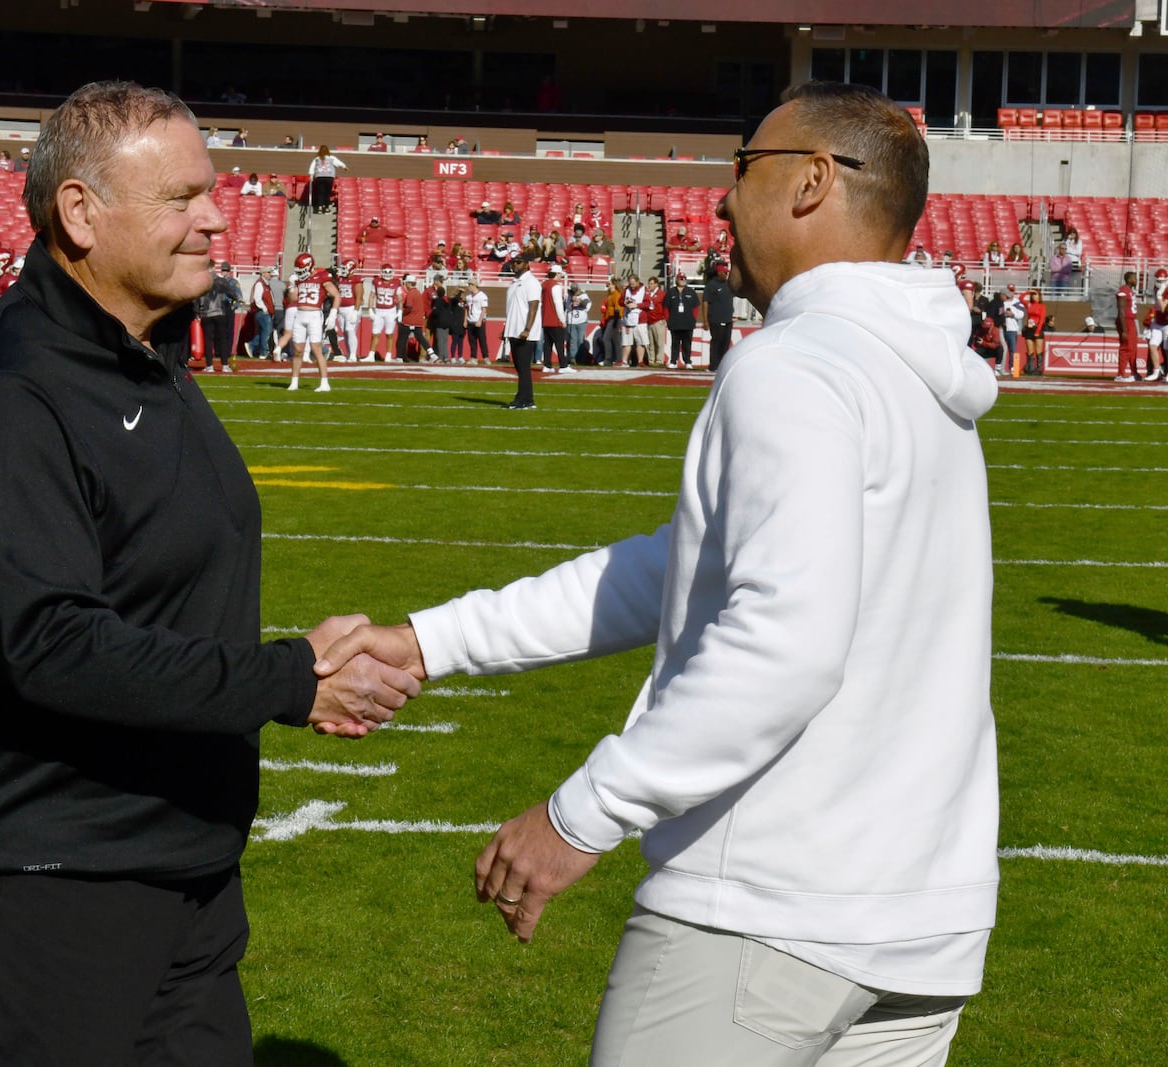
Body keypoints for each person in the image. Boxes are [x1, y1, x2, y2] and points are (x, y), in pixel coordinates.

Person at [316, 80, 1000, 1067]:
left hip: (768, 908)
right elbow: (683, 567)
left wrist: (579, 815)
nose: (723, 198)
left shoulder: (796, 365)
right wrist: (434, 640)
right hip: (919, 924)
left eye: (743, 166)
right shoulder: (912, 368)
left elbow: (784, 642)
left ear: (810, 182)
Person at [0, 81, 416, 1067]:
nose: (215, 217)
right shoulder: (13, 394)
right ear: (81, 214)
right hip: (56, 876)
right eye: (180, 197)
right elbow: (54, 645)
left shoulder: (144, 360)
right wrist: (288, 679)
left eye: (211, 192)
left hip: (183, 860)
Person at [286, 252, 339, 390]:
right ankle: (294, 382)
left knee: (316, 350)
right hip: (299, 315)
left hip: (314, 315)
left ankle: (324, 383)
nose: (300, 273)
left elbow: (336, 295)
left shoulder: (322, 277)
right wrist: (291, 287)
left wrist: (333, 314)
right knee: (297, 350)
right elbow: (293, 299)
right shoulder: (299, 279)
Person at [502, 257, 540, 409]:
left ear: (527, 264)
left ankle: (523, 399)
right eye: (513, 263)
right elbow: (512, 309)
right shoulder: (513, 284)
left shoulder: (531, 282)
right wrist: (505, 328)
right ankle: (527, 399)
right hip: (514, 330)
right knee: (519, 367)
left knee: (523, 367)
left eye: (518, 262)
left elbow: (533, 307)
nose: (515, 265)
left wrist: (527, 329)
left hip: (524, 332)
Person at [200, 260, 243, 373]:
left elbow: (196, 298)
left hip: (206, 313)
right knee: (223, 339)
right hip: (220, 312)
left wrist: (196, 311)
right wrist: (237, 299)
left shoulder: (201, 281)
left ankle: (209, 365)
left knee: (208, 340)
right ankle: (224, 364)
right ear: (213, 267)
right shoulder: (221, 281)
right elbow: (232, 293)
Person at [701, 260, 734, 372]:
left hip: (728, 319)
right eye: (724, 272)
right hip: (716, 319)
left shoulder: (729, 284)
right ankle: (713, 366)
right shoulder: (711, 285)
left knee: (725, 344)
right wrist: (705, 321)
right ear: (719, 272)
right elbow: (705, 302)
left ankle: (722, 366)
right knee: (716, 343)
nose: (726, 274)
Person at [539, 263, 573, 374]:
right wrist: (562, 320)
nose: (561, 277)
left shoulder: (544, 285)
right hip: (554, 320)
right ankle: (563, 365)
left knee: (547, 343)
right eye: (560, 274)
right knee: (559, 343)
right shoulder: (556, 286)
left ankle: (547, 365)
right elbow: (558, 304)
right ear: (556, 274)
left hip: (545, 319)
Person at [665, 270, 698, 369]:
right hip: (675, 322)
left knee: (687, 344)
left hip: (688, 323)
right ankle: (673, 361)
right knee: (675, 343)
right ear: (677, 280)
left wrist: (693, 319)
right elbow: (666, 307)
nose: (683, 280)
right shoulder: (671, 292)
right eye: (681, 278)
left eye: (684, 278)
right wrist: (668, 320)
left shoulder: (691, 292)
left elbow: (695, 307)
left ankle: (687, 361)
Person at [1115, 270, 1141, 382]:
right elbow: (1121, 311)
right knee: (1126, 348)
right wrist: (1124, 330)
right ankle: (1120, 374)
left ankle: (1134, 372)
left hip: (1131, 321)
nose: (1136, 280)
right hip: (1126, 321)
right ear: (1129, 279)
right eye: (1134, 278)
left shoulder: (1130, 291)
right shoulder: (1123, 291)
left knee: (1133, 348)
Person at [307, 145, 346, 213]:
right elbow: (338, 163)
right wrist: (344, 166)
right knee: (327, 193)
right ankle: (327, 207)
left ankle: (320, 207)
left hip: (319, 176)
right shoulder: (331, 158)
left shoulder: (317, 158)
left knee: (320, 192)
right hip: (329, 176)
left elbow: (312, 167)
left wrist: (311, 175)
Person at [1021, 286, 1049, 375]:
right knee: (1030, 351)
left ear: (1039, 296)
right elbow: (1021, 298)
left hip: (1037, 328)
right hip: (1029, 329)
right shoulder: (1029, 304)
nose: (1034, 297)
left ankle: (1039, 368)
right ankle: (1030, 367)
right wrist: (1028, 292)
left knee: (1038, 350)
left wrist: (1038, 331)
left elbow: (1041, 320)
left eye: (1036, 295)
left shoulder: (1042, 306)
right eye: (1033, 295)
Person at [464, 279, 491, 364]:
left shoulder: (482, 296)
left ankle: (486, 357)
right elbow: (466, 309)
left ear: (474, 285)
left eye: (470, 285)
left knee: (482, 340)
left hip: (478, 321)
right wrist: (465, 320)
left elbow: (484, 309)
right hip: (470, 321)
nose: (469, 287)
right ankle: (473, 357)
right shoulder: (468, 297)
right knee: (472, 341)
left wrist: (480, 320)